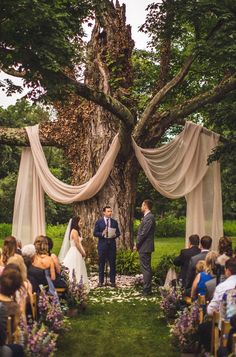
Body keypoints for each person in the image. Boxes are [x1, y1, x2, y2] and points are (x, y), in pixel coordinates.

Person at [94, 206, 120, 287]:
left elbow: (118, 232)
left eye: (111, 211)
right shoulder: (99, 222)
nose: (110, 213)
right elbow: (95, 233)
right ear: (104, 212)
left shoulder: (114, 222)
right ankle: (101, 282)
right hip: (102, 246)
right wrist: (102, 233)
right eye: (108, 211)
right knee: (101, 264)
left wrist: (115, 235)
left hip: (111, 245)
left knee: (112, 264)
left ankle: (113, 282)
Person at [134, 199, 155, 296]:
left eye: (142, 205)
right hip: (144, 246)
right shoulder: (147, 217)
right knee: (146, 268)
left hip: (145, 247)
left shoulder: (149, 217)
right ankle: (147, 288)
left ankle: (147, 290)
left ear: (146, 206)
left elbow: (143, 233)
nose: (141, 207)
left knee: (145, 268)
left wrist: (137, 244)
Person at [63, 216, 89, 289]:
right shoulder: (74, 231)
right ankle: (74, 285)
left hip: (77, 251)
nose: (81, 223)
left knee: (79, 267)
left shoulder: (78, 231)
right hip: (75, 251)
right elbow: (77, 244)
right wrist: (82, 253)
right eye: (80, 221)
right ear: (76, 222)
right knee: (74, 267)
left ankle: (79, 284)